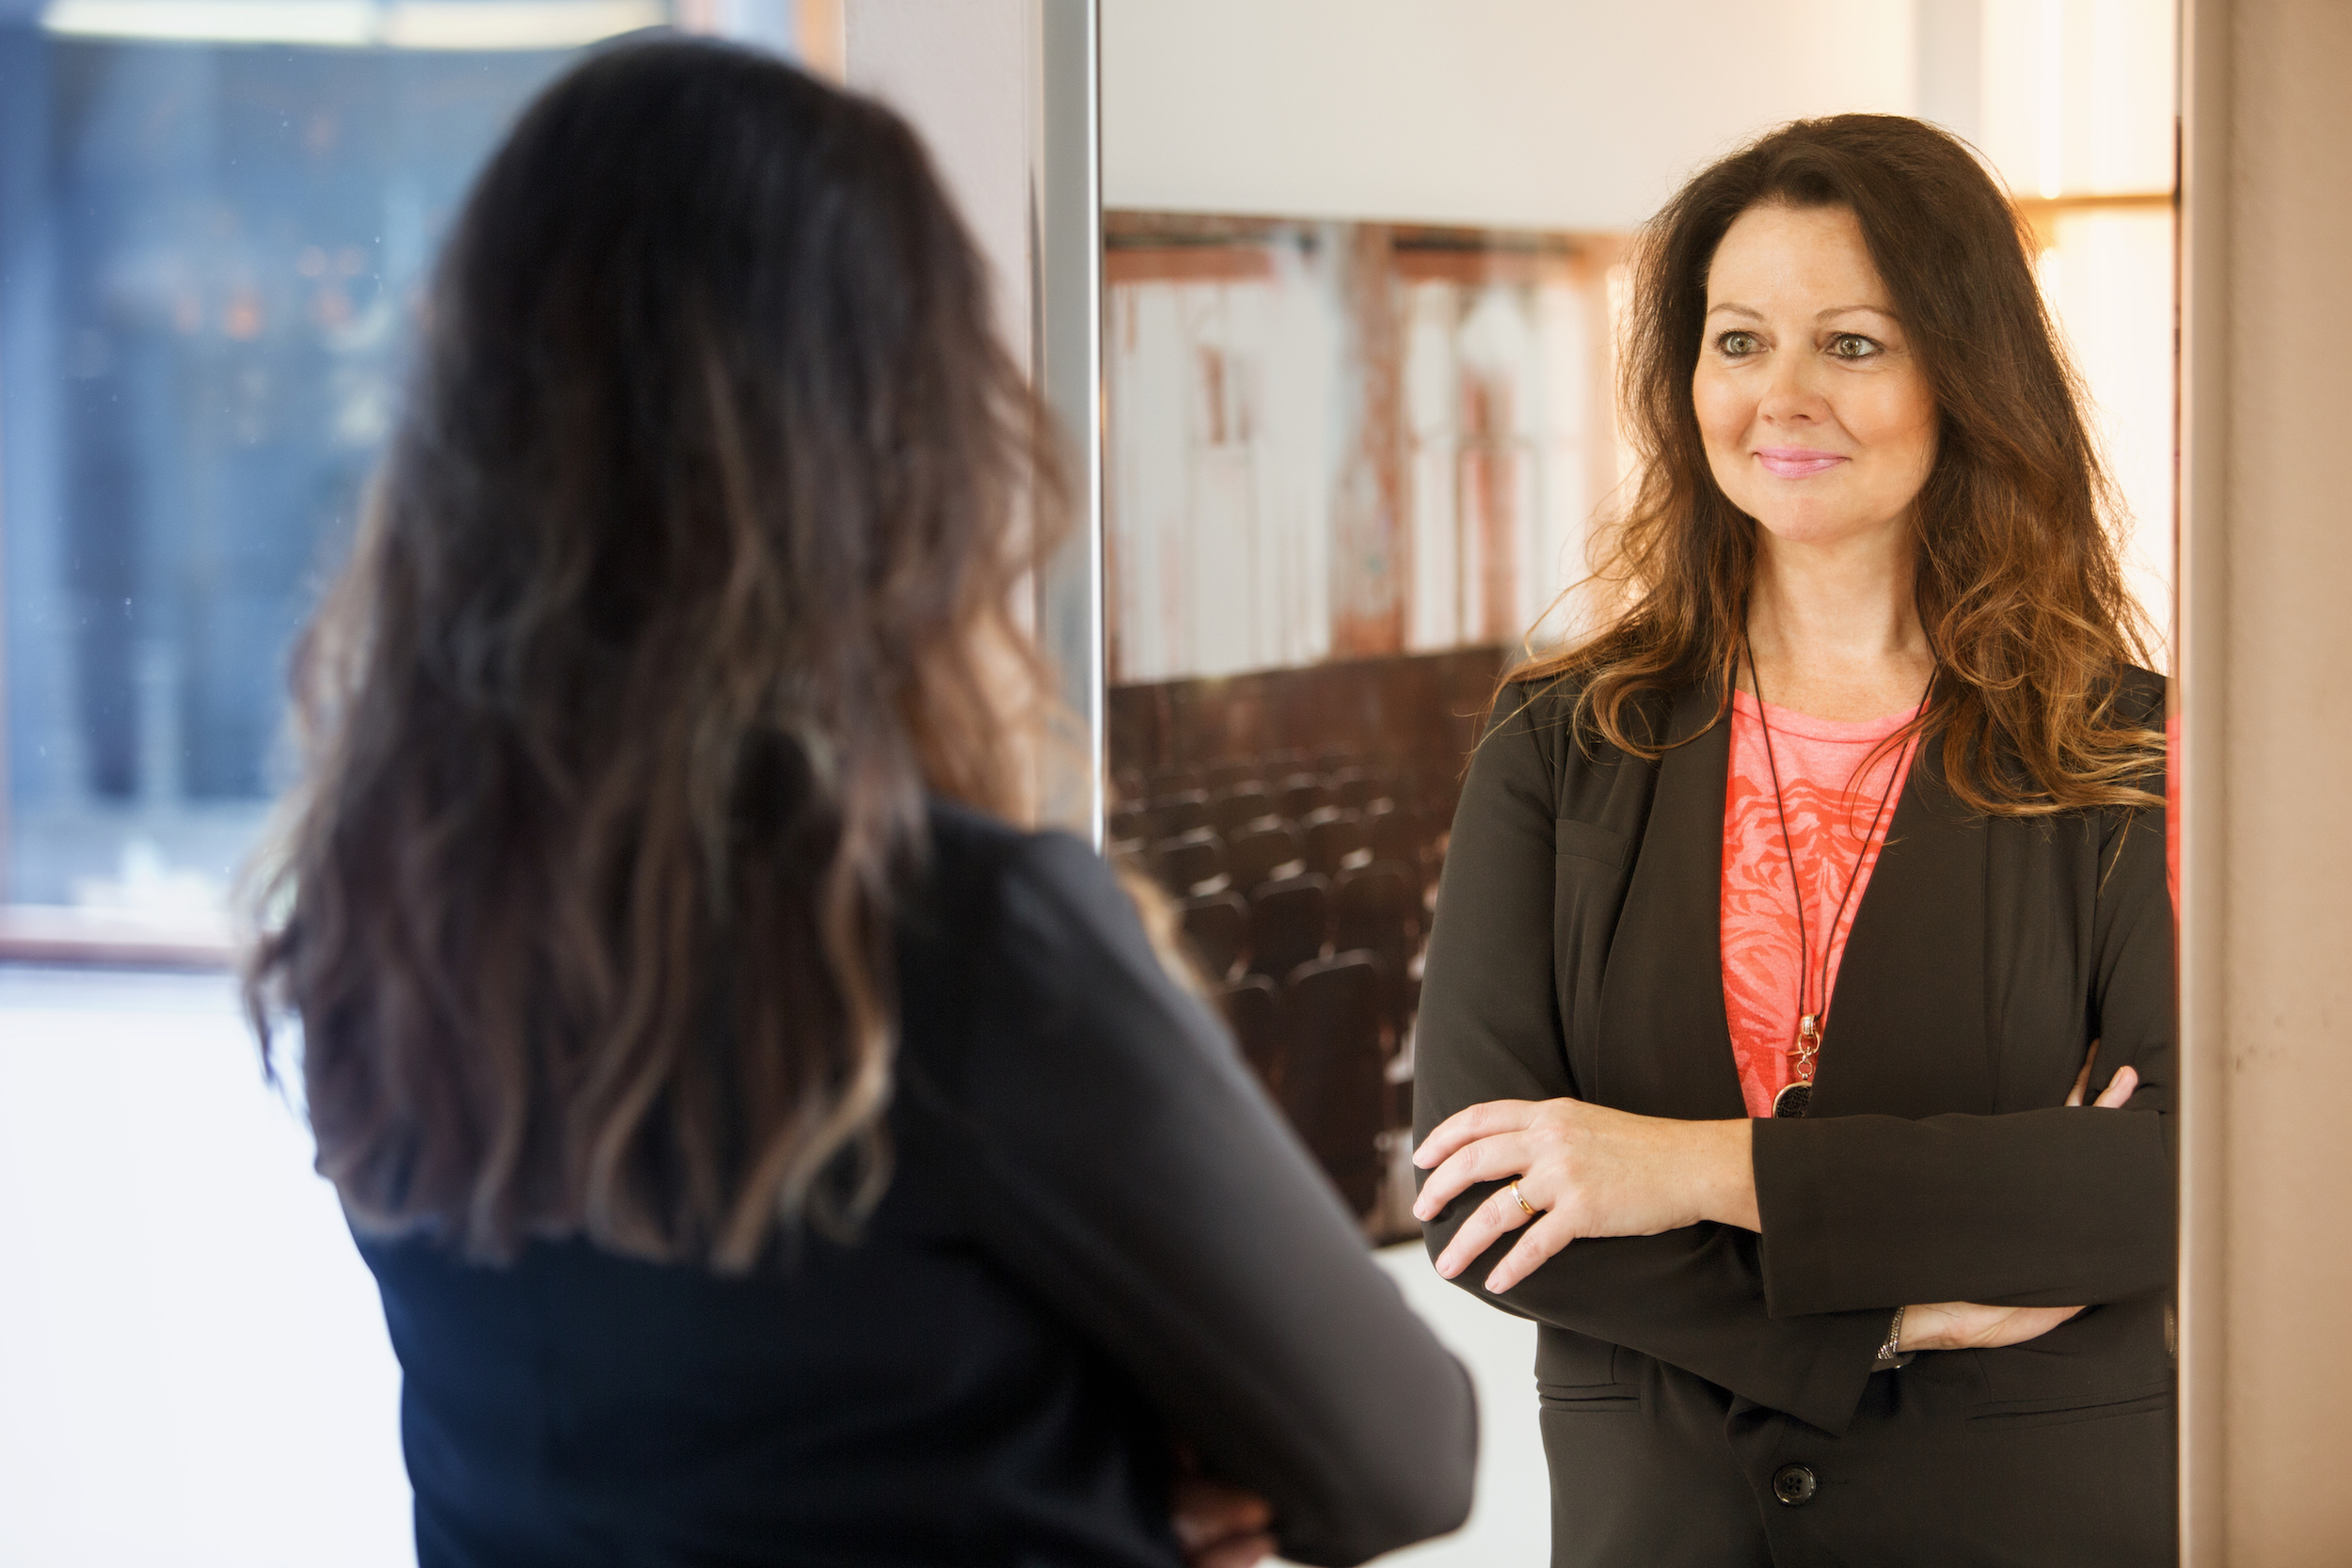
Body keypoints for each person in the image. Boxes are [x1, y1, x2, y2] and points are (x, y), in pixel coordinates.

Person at [244, 37, 1474, 1568]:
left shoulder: (385, 910)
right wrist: (1106, 1491)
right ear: (893, 447)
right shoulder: (957, 937)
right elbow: (1406, 1455)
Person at [1407, 114, 2172, 1566]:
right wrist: (1888, 1317)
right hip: (1667, 1531)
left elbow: (2157, 1186)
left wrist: (1681, 1170)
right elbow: (1479, 1195)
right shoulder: (1561, 742)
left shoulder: (2128, 752)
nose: (1781, 397)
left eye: (1856, 344)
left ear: (1968, 372)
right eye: (1740, 341)